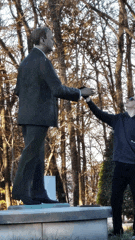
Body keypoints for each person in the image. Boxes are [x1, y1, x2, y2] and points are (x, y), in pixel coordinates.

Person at [12, 27, 94, 205]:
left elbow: (18, 90)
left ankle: (38, 192)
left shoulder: (25, 62)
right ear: (42, 39)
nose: (53, 42)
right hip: (38, 117)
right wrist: (80, 93)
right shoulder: (42, 61)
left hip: (27, 116)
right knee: (30, 154)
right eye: (50, 38)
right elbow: (57, 89)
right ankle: (20, 191)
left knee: (37, 156)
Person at [84, 94, 135, 238]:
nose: (128, 99)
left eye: (132, 99)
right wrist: (88, 100)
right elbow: (100, 114)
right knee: (115, 200)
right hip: (120, 166)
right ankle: (117, 232)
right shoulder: (118, 119)